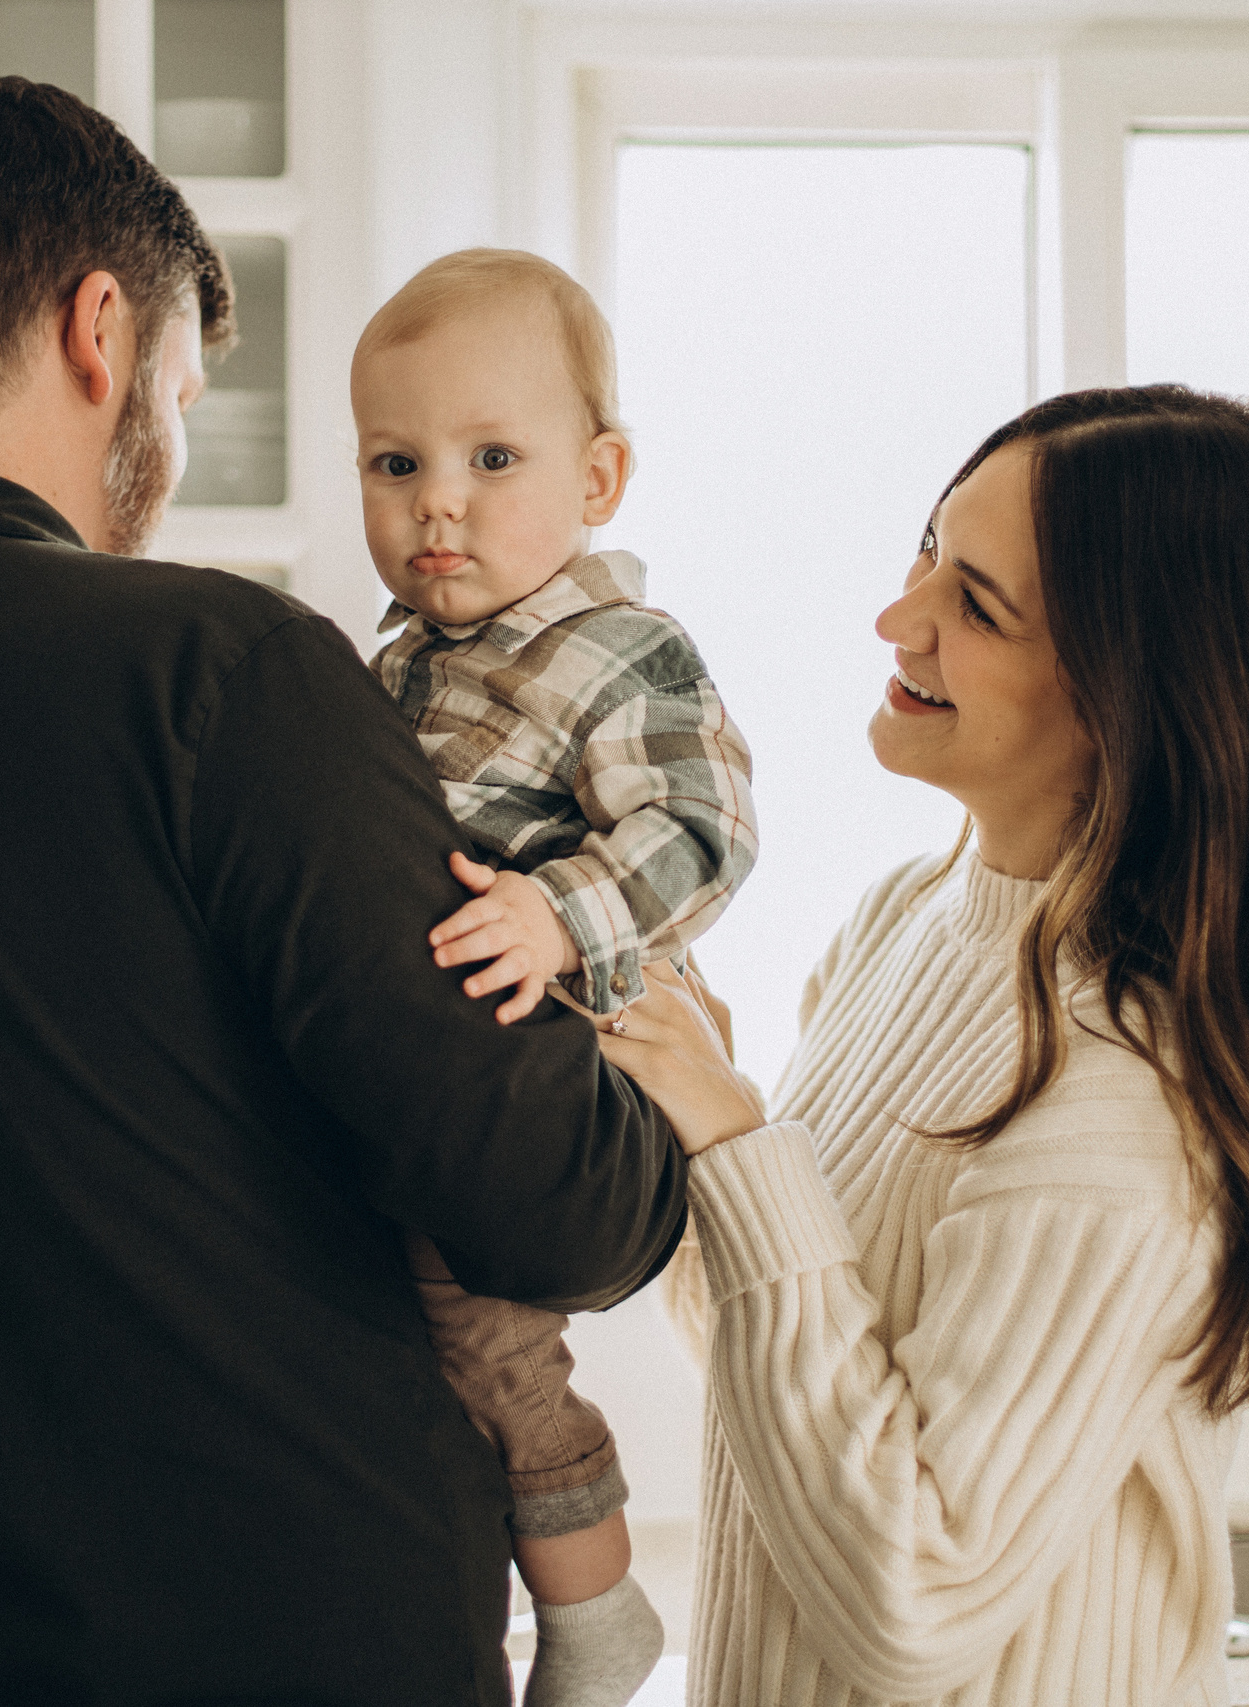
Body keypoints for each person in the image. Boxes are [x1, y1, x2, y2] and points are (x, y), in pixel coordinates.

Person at [0, 80, 687, 1707]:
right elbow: (555, 1203)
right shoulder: (219, 678)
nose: (164, 444)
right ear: (100, 334)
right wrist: (665, 1082)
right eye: (178, 386)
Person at [597, 387, 1249, 1706]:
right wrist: (686, 1139)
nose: (898, 618)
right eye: (929, 548)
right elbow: (789, 1372)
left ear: (1131, 702)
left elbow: (912, 1601)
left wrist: (741, 1144)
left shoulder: (1134, 1095)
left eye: (977, 605)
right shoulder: (906, 922)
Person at [350, 248, 757, 1707]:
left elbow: (706, 836)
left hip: (558, 1059)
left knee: (490, 1341)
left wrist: (555, 912)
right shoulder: (400, 662)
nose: (435, 502)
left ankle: (597, 1622)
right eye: (395, 462)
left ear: (602, 478)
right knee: (411, 1339)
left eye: (490, 457)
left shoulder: (616, 652)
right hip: (433, 1064)